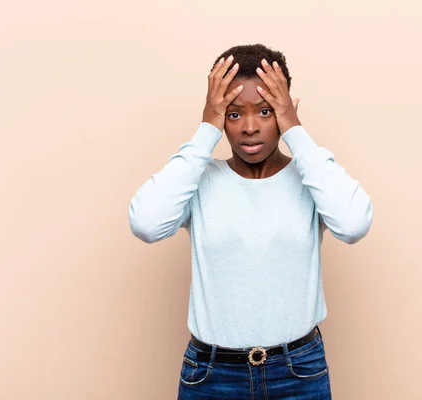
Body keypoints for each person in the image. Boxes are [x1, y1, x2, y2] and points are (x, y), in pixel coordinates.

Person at [128, 44, 373, 399]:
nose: (250, 127)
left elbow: (353, 224)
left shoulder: (311, 180)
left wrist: (296, 132)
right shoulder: (200, 180)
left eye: (266, 110)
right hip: (211, 375)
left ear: (286, 110)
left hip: (297, 373)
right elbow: (146, 223)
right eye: (232, 114)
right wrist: (205, 131)